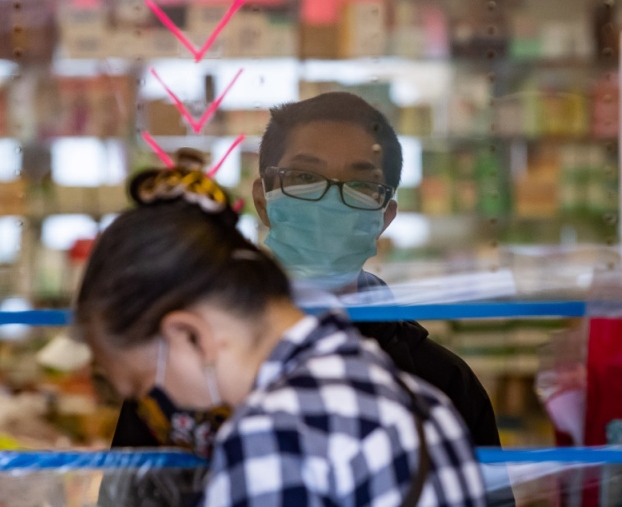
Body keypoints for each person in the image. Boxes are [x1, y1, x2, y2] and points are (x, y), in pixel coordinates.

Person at [112, 92, 502, 451]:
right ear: (263, 201)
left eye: (362, 184)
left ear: (384, 217)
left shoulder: (441, 381)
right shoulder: (183, 368)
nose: (331, 200)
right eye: (303, 178)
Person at [78, 166, 486, 506]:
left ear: (189, 335)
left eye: (143, 384)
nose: (155, 411)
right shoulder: (413, 394)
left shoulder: (272, 438)